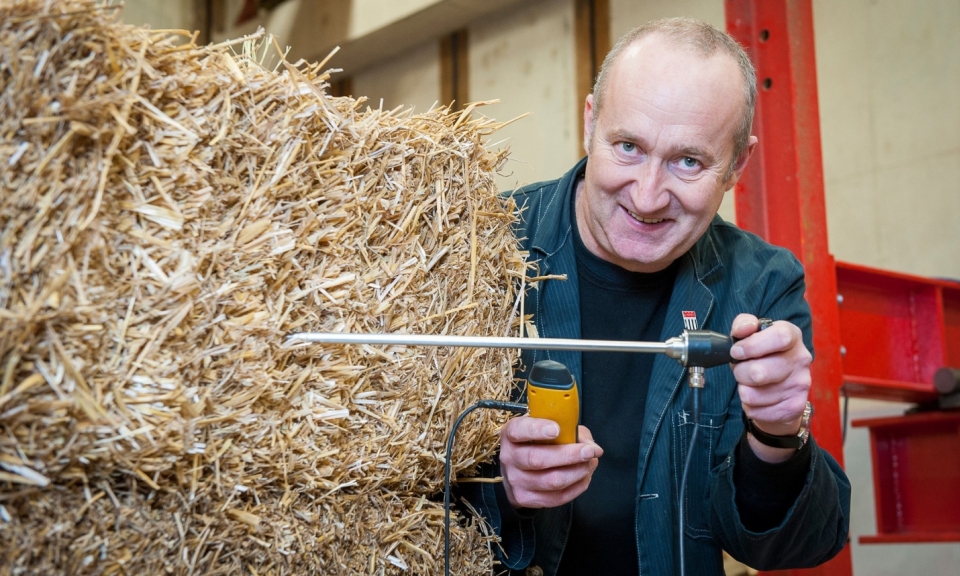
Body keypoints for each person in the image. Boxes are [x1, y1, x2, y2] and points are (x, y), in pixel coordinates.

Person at [459, 17, 851, 576]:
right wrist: (503, 490)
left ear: (738, 164)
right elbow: (389, 495)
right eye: (628, 147)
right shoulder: (482, 249)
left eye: (688, 161)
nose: (647, 196)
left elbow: (795, 547)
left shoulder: (761, 282)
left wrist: (777, 432)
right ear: (590, 122)